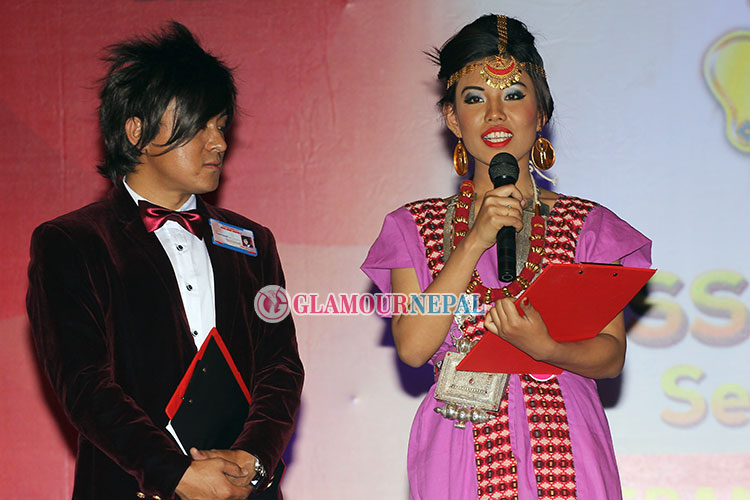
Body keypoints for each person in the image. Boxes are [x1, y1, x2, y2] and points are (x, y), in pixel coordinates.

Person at [361, 14, 651, 500]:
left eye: (513, 95)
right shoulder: (414, 225)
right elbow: (412, 346)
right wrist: (474, 240)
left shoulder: (588, 225)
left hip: (566, 447)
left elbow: (610, 354)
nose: (495, 115)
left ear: (540, 113)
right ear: (454, 119)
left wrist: (546, 348)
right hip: (460, 445)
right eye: (475, 99)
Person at [26, 23, 303, 500]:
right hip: (129, 484)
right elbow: (83, 383)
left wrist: (253, 459)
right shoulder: (71, 242)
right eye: (199, 125)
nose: (218, 143)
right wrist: (174, 473)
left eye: (221, 125)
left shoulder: (254, 242)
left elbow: (281, 366)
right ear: (136, 130)